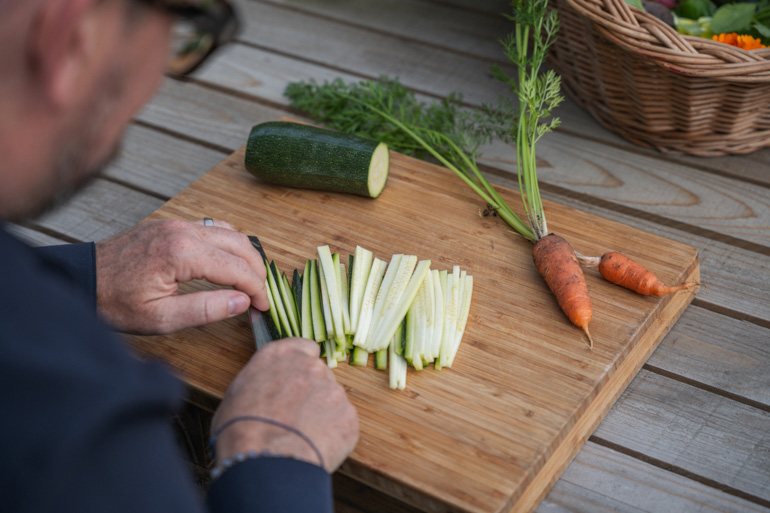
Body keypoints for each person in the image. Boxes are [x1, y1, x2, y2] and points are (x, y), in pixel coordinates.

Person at [0, 0, 359, 512]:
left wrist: (83, 278)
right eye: (186, 34)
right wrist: (275, 464)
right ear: (72, 38)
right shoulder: (78, 426)